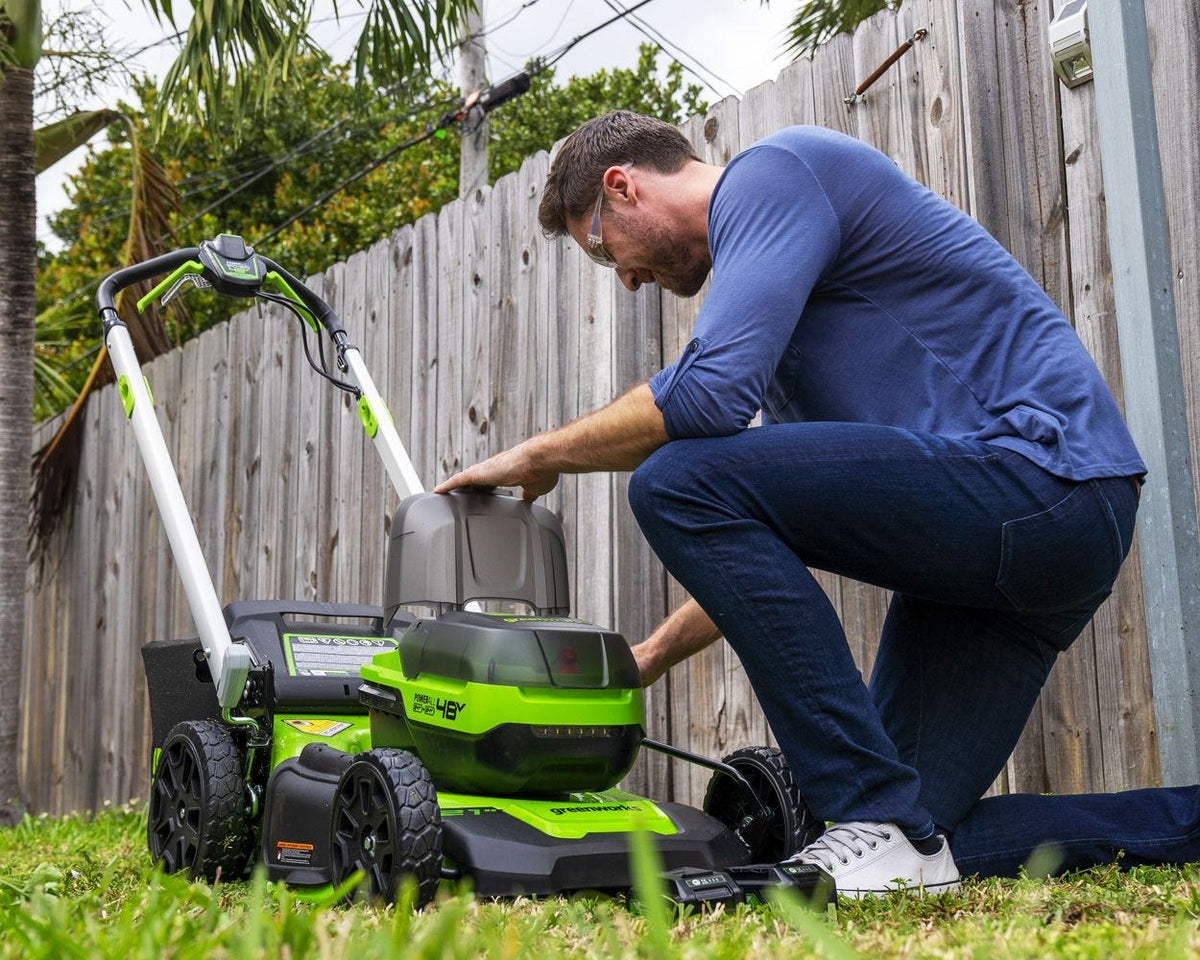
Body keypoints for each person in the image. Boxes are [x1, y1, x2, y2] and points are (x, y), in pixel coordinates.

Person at [436, 110, 1198, 898]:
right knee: (913, 838)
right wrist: (650, 657)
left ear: (622, 187)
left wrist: (537, 453)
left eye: (603, 248)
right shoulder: (776, 328)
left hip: (1044, 477)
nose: (624, 279)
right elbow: (762, 532)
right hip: (1013, 549)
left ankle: (868, 804)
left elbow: (703, 401)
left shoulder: (778, 173)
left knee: (672, 480)